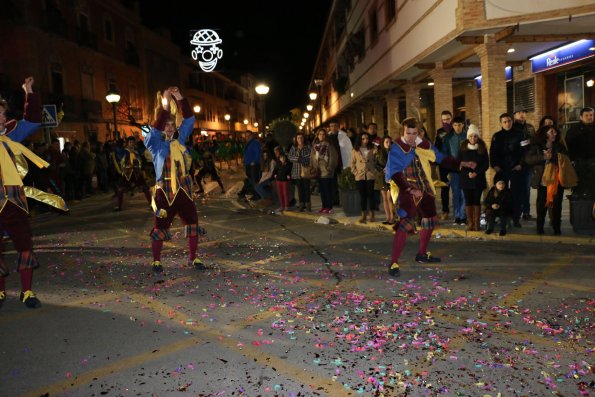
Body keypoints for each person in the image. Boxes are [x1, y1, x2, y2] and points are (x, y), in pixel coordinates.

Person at [385, 117, 476, 277]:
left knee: (430, 219)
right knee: (404, 224)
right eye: (408, 133)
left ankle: (421, 254)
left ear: (418, 132)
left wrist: (462, 164)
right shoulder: (397, 148)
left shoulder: (423, 145)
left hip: (425, 188)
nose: (411, 137)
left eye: (414, 133)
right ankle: (393, 262)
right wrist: (409, 190)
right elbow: (395, 173)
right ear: (403, 132)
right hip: (407, 190)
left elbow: (440, 158)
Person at [142, 86, 205, 274]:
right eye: (166, 124)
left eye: (172, 124)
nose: (169, 127)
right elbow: (154, 128)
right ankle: (156, 261)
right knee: (159, 226)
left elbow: (189, 120)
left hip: (184, 191)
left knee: (193, 223)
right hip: (164, 192)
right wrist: (165, 105)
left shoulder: (181, 140)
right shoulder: (154, 143)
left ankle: (194, 257)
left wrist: (178, 97)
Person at [0, 76, 47, 308]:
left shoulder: (11, 135)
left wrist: (29, 92)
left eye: (2, 114)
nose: (1, 118)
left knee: (24, 244)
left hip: (13, 200)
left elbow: (33, 120)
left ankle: (27, 292)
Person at [524, 125, 570, 235]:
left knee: (557, 206)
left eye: (555, 132)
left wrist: (552, 157)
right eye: (551, 132)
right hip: (543, 181)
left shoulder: (559, 146)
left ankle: (557, 228)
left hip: (556, 181)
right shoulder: (537, 146)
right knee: (541, 206)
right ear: (545, 134)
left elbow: (565, 159)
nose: (554, 134)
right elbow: (528, 159)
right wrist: (543, 157)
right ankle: (540, 228)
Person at [489, 113, 526, 228]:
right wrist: (495, 165)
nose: (507, 123)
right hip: (501, 169)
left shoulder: (521, 134)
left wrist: (520, 164)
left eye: (509, 121)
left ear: (512, 121)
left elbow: (525, 152)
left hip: (516, 169)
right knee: (501, 194)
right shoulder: (496, 136)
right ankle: (502, 217)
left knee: (516, 195)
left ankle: (516, 219)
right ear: (501, 123)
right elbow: (492, 153)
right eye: (504, 122)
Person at [458, 124, 489, 231]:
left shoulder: (482, 148)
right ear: (468, 137)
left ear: (478, 137)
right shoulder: (463, 148)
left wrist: (476, 173)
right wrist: (468, 173)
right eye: (471, 136)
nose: (473, 138)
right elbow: (459, 162)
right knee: (468, 201)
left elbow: (485, 164)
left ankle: (476, 224)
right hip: (466, 179)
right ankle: (470, 223)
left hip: (478, 179)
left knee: (476, 200)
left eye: (475, 136)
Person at [113, 136, 152, 211]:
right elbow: (117, 151)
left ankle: (152, 204)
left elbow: (144, 149)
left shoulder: (137, 151)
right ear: (127, 143)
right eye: (130, 142)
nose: (132, 144)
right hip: (127, 173)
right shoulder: (124, 151)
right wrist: (119, 143)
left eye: (133, 142)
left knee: (145, 188)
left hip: (137, 173)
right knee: (120, 189)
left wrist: (140, 141)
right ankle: (119, 206)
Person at [442, 116, 467, 225]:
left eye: (459, 125)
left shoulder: (467, 136)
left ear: (463, 125)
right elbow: (445, 155)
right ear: (452, 125)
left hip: (465, 170)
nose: (457, 127)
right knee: (456, 194)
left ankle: (463, 216)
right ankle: (457, 216)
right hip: (454, 170)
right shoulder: (448, 138)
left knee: (464, 194)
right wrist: (448, 170)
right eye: (455, 125)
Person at [513, 108, 535, 221]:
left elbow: (534, 143)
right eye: (519, 112)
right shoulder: (512, 128)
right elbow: (515, 146)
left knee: (526, 189)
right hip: (516, 163)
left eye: (523, 112)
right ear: (515, 115)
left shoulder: (530, 127)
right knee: (516, 189)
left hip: (528, 162)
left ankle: (526, 212)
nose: (522, 114)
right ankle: (516, 212)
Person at [350, 131, 377, 223]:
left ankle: (372, 214)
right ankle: (363, 215)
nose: (365, 140)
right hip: (360, 176)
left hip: (370, 175)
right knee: (362, 196)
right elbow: (352, 163)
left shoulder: (373, 148)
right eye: (363, 139)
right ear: (360, 139)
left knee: (371, 195)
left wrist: (375, 171)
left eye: (367, 138)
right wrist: (355, 172)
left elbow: (377, 161)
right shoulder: (355, 150)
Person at [311, 128, 338, 214]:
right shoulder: (315, 146)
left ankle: (329, 207)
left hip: (326, 171)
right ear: (317, 135)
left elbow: (334, 157)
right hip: (319, 171)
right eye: (320, 134)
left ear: (325, 136)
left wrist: (329, 167)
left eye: (323, 134)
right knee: (322, 190)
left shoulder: (329, 145)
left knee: (327, 190)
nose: (321, 136)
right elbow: (313, 157)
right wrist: (314, 167)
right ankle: (324, 206)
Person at [434, 110, 453, 221]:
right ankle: (445, 211)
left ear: (451, 119)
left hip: (455, 163)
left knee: (457, 188)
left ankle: (461, 213)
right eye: (444, 120)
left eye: (448, 119)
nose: (446, 121)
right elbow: (437, 147)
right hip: (444, 164)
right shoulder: (439, 132)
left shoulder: (456, 129)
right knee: (444, 188)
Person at [287, 132, 312, 212]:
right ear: (296, 139)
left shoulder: (308, 147)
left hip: (306, 171)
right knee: (300, 189)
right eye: (298, 138)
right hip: (296, 171)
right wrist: (299, 159)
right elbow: (290, 158)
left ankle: (308, 204)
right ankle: (301, 204)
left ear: (303, 138)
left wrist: (300, 159)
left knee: (306, 188)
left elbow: (309, 158)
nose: (300, 139)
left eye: (301, 137)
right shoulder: (293, 148)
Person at [376, 136, 395, 225]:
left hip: (391, 178)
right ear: (383, 143)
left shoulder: (394, 152)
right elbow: (375, 164)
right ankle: (388, 217)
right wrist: (382, 169)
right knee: (384, 198)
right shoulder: (379, 152)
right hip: (381, 177)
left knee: (390, 198)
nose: (389, 144)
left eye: (390, 142)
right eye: (386, 142)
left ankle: (393, 217)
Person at [240, 131, 261, 199]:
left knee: (254, 180)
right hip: (248, 164)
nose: (247, 137)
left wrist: (254, 161)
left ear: (252, 136)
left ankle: (257, 195)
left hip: (253, 165)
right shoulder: (248, 143)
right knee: (250, 179)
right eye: (246, 136)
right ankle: (249, 192)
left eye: (249, 135)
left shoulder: (255, 143)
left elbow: (258, 153)